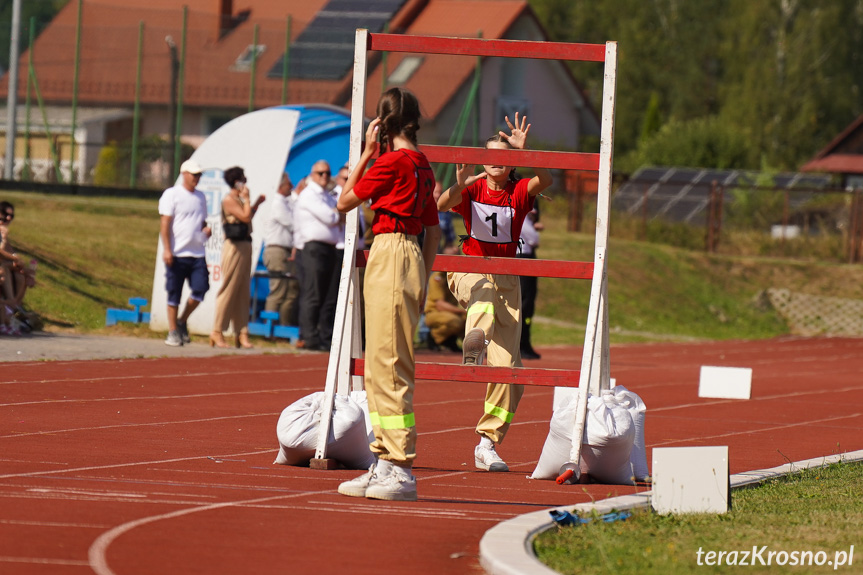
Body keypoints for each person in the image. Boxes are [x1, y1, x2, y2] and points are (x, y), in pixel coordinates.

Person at [335, 87, 440, 501]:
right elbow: (432, 229)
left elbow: (345, 201)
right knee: (380, 364)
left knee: (389, 363)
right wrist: (424, 277)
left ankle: (399, 466)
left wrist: (365, 151)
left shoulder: (392, 162)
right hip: (409, 253)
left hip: (390, 251)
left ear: (383, 123)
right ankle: (383, 459)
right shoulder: (422, 164)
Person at [436, 112, 553, 472]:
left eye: (503, 157)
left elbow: (546, 178)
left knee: (510, 372)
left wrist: (525, 152)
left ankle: (487, 442)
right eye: (489, 155)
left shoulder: (519, 192)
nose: (495, 161)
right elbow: (441, 205)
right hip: (470, 268)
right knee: (482, 294)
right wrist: (457, 185)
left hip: (509, 278)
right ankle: (475, 340)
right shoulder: (472, 187)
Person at [158, 159, 212, 346]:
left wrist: (206, 232)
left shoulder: (201, 197)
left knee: (200, 289)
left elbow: (203, 222)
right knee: (174, 293)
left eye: (199, 175)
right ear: (184, 174)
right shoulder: (172, 194)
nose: (197, 178)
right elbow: (165, 224)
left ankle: (182, 321)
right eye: (194, 174)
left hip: (197, 253)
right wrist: (167, 249)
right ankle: (173, 331)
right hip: (177, 253)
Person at [211, 166, 265, 348]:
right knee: (229, 289)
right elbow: (244, 216)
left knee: (243, 290)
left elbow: (247, 217)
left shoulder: (240, 199)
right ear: (236, 181)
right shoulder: (229, 200)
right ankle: (217, 331)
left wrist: (255, 203)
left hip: (245, 245)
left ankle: (242, 332)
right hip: (233, 247)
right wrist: (248, 200)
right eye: (243, 177)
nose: (246, 180)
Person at [294, 160, 341, 351]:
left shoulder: (326, 196)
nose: (325, 176)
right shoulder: (308, 195)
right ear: (312, 174)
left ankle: (321, 336)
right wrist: (338, 213)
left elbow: (335, 214)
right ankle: (309, 336)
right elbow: (331, 218)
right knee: (312, 294)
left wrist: (337, 213)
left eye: (328, 173)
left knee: (325, 295)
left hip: (327, 248)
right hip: (313, 248)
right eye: (320, 173)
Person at [263, 173, 299, 326]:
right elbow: (293, 223)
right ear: (280, 186)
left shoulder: (284, 202)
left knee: (290, 291)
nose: (291, 187)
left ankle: (284, 327)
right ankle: (269, 328)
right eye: (288, 184)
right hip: (277, 250)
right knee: (278, 291)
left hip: (284, 250)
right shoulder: (277, 203)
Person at [518, 204, 543, 359]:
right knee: (524, 305)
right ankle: (521, 345)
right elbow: (533, 239)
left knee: (526, 305)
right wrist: (533, 225)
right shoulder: (521, 217)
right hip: (522, 259)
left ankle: (524, 343)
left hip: (523, 259)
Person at [423, 270, 465, 352]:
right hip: (434, 312)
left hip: (451, 312)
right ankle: (434, 337)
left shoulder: (457, 276)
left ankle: (454, 342)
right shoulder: (437, 277)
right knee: (455, 321)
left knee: (469, 319)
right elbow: (440, 305)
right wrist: (462, 311)